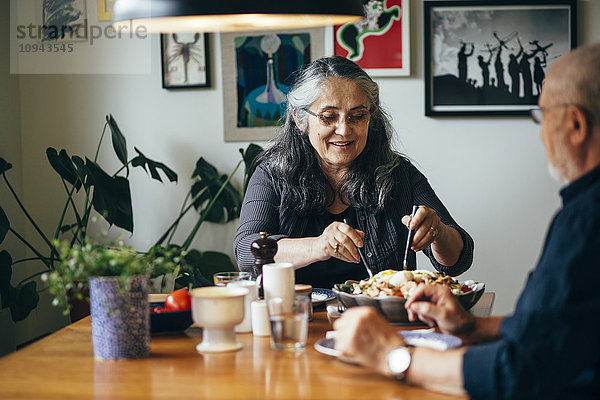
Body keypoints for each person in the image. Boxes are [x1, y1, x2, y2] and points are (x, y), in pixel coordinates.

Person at [333, 43, 600, 399]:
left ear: (575, 124)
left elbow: (517, 372)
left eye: (541, 116)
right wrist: (474, 327)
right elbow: (564, 327)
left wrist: (393, 356)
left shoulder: (585, 222)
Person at [234, 56, 474, 289]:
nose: (344, 129)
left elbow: (457, 261)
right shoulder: (272, 174)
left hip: (381, 320)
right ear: (299, 118)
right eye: (329, 117)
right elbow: (246, 251)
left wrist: (438, 232)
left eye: (357, 116)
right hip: (298, 318)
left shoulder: (399, 174)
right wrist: (319, 246)